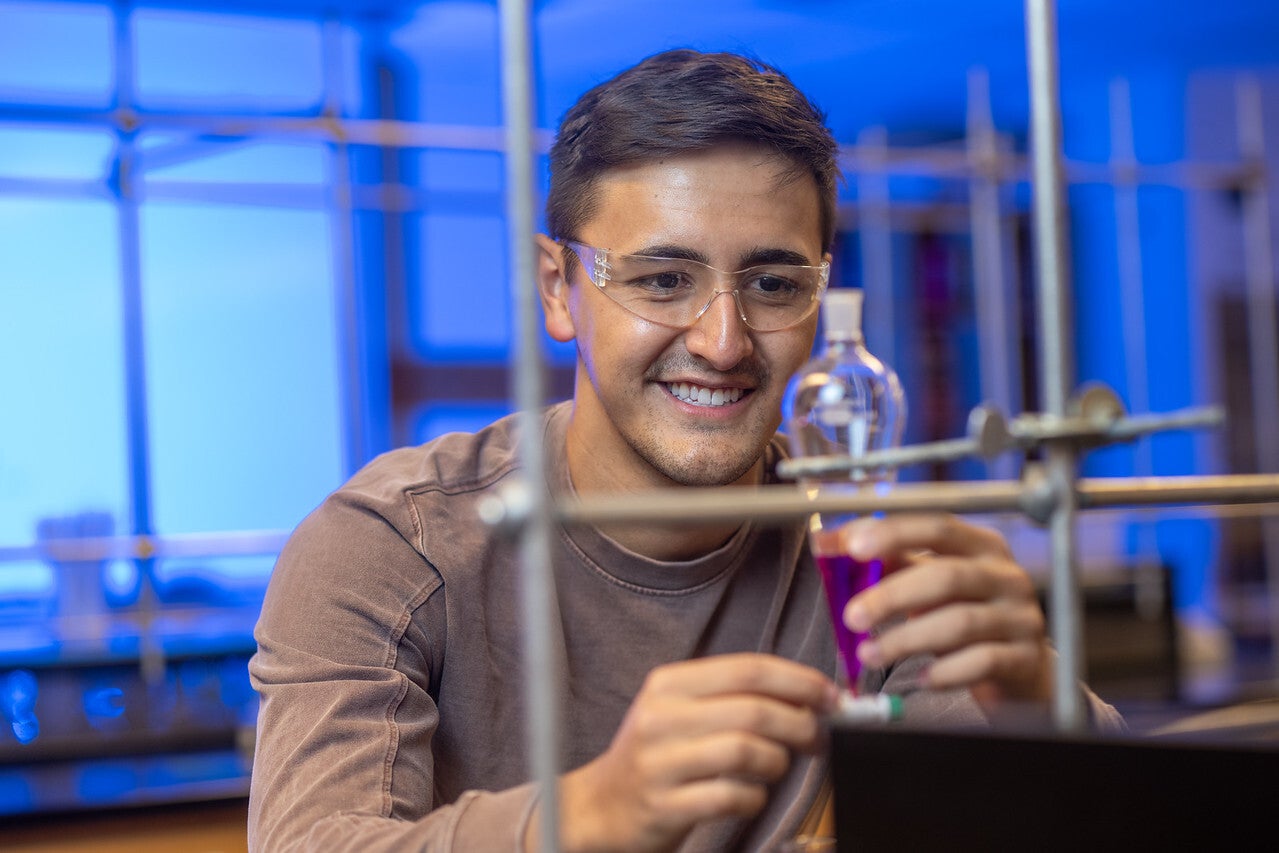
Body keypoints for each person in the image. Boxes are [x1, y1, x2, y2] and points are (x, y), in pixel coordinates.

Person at [247, 48, 1123, 852]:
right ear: (557, 288)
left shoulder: (858, 559)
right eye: (662, 280)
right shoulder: (392, 548)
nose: (722, 341)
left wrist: (1036, 707)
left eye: (772, 283)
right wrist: (591, 815)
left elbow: (1114, 826)